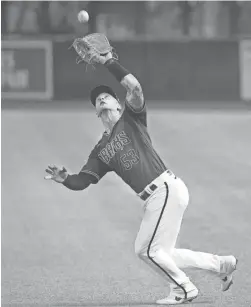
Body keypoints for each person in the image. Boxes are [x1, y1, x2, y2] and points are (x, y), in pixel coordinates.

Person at [45, 52, 237, 305]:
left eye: (107, 95)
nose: (101, 97)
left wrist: (107, 62)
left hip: (165, 189)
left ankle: (184, 289)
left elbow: (134, 86)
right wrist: (66, 178)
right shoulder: (100, 151)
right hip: (157, 197)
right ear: (96, 111)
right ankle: (221, 265)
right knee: (163, 254)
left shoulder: (132, 119)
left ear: (118, 104)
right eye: (97, 99)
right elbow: (84, 180)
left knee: (146, 250)